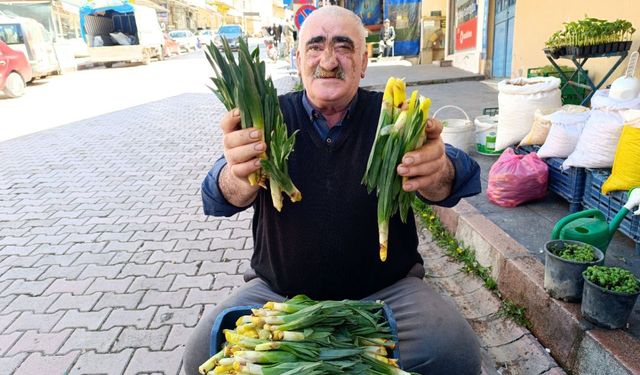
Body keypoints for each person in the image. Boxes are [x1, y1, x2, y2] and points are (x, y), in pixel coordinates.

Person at [184, 5, 481, 375]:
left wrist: (439, 171)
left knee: (454, 349)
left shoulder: (393, 114)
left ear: (363, 61)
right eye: (315, 46)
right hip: (280, 295)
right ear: (298, 58)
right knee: (201, 351)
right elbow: (214, 195)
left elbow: (463, 175)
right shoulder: (267, 116)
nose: (328, 59)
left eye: (343, 46)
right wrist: (237, 175)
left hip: (387, 294)